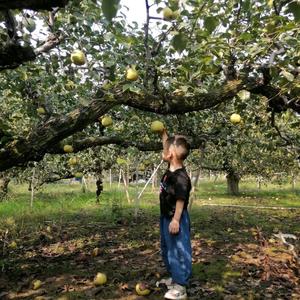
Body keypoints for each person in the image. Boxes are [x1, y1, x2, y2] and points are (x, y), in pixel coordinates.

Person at [157, 128, 192, 300]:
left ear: (171, 154)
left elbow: (181, 200)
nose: (163, 152)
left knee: (179, 249)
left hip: (176, 218)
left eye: (166, 149)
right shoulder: (171, 170)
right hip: (166, 216)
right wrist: (164, 136)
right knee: (168, 248)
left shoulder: (181, 178)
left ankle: (181, 286)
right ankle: (174, 277)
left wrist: (176, 220)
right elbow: (167, 148)